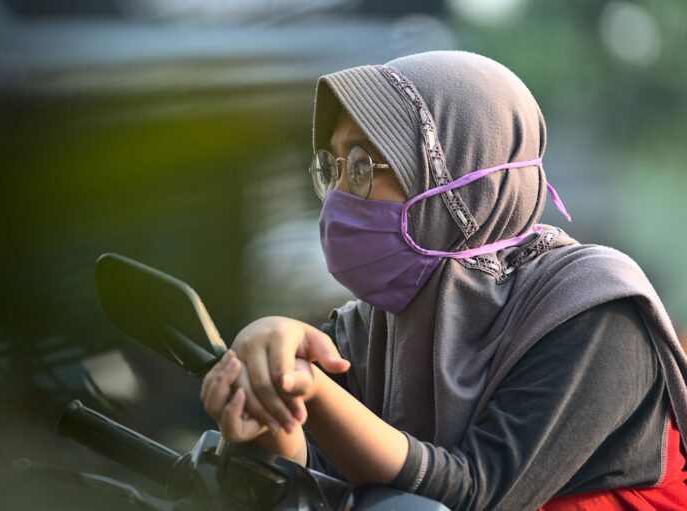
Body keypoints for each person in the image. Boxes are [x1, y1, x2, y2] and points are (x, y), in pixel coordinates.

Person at [199, 51, 687, 510]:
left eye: (364, 165)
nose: (339, 196)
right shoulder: (366, 330)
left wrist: (314, 391)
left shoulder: (592, 310)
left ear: (458, 170)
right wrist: (270, 403)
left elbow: (479, 493)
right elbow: (323, 485)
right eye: (335, 168)